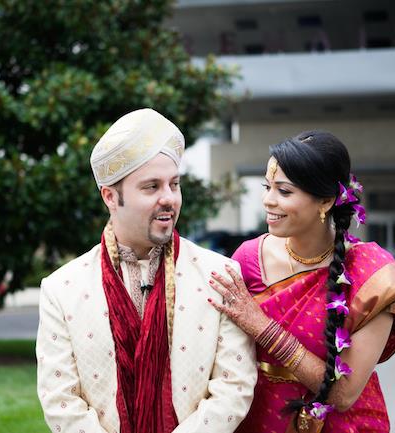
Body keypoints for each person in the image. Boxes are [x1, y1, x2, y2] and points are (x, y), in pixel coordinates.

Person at [36, 108, 257, 433]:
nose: (169, 198)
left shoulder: (220, 275)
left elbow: (233, 388)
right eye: (151, 187)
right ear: (111, 196)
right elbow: (61, 402)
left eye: (174, 184)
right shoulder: (62, 289)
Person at [208, 130, 395, 433]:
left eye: (284, 191)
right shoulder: (248, 258)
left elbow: (344, 394)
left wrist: (263, 328)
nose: (268, 201)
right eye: (266, 187)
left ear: (325, 201)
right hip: (257, 420)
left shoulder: (372, 276)